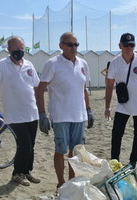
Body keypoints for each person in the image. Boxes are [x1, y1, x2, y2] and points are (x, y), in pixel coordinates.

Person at [0, 36, 41, 186]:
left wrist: (41, 108)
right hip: (14, 114)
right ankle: (16, 173)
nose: (19, 52)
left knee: (31, 145)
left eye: (22, 49)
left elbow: (36, 85)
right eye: (16, 49)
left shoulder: (29, 64)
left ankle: (26, 171)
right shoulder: (2, 65)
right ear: (8, 50)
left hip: (32, 112)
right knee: (24, 145)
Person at [36, 32, 93, 189]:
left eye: (76, 45)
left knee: (76, 152)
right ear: (61, 46)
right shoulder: (52, 64)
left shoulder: (83, 64)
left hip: (79, 115)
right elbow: (40, 90)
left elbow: (84, 89)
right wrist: (42, 114)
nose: (73, 48)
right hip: (60, 115)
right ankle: (61, 183)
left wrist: (88, 109)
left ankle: (72, 183)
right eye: (70, 44)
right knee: (60, 150)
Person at [105, 33, 137, 168]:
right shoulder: (115, 62)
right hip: (123, 104)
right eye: (126, 45)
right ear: (120, 46)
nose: (129, 48)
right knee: (116, 133)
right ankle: (114, 161)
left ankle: (133, 162)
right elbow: (110, 85)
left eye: (132, 45)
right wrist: (107, 107)